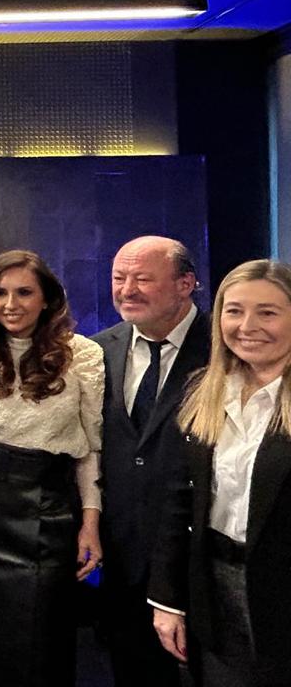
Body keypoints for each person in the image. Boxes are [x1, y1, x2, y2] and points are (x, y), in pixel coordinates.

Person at [0, 250, 104, 687]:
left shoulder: (83, 355)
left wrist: (91, 521)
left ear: (47, 298)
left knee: (42, 641)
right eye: (1, 293)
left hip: (50, 507)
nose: (11, 304)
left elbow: (90, 450)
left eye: (24, 292)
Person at [149, 259, 291, 686]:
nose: (247, 325)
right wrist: (168, 600)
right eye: (234, 310)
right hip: (213, 590)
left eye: (268, 312)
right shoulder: (201, 390)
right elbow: (178, 503)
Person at [92, 236, 209, 687]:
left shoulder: (226, 346)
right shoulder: (99, 349)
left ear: (186, 283)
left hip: (197, 554)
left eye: (142, 279)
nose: (127, 290)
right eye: (119, 278)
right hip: (120, 556)